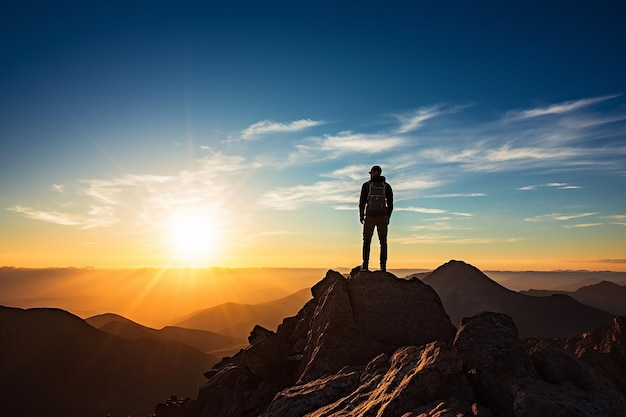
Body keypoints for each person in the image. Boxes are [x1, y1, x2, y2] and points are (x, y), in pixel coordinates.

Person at [359, 165, 393, 271]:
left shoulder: (366, 185)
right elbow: (390, 203)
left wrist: (361, 215)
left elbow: (362, 202)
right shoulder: (386, 186)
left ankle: (365, 265)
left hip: (369, 217)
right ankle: (383, 266)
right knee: (383, 241)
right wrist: (388, 217)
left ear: (373, 172)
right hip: (382, 217)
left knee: (366, 241)